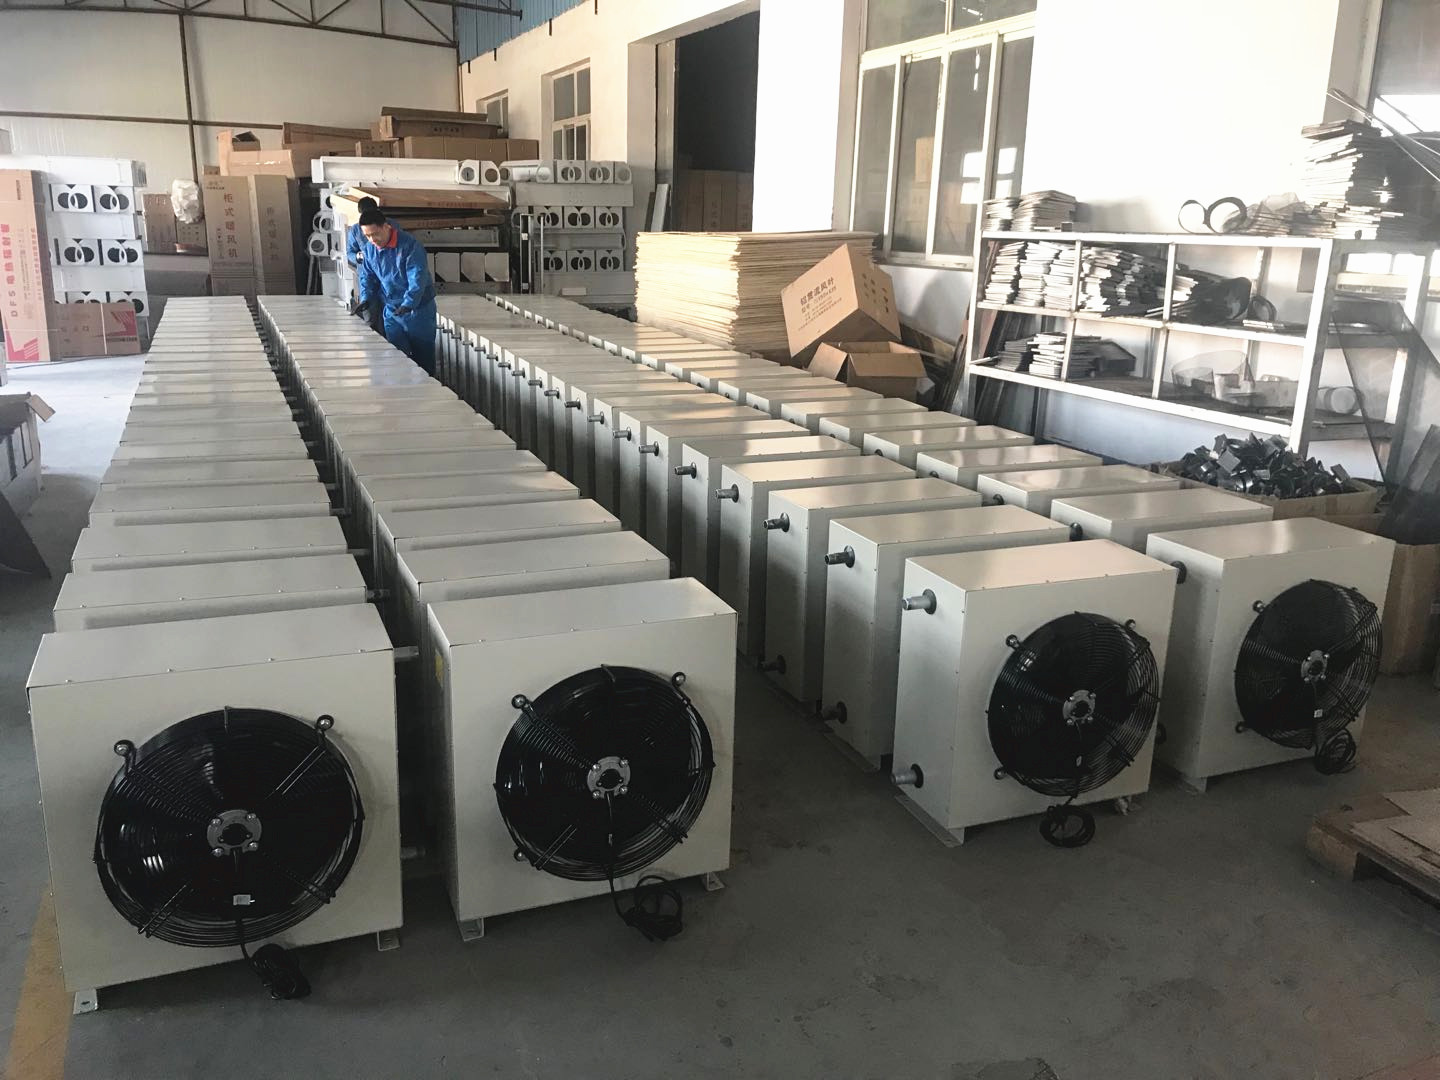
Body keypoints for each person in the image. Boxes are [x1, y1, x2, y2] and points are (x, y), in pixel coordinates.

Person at [351, 208, 438, 376]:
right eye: (367, 236)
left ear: (386, 227)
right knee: (397, 359)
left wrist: (409, 303)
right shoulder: (370, 250)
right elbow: (367, 277)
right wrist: (366, 299)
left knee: (423, 362)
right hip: (392, 311)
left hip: (418, 311)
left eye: (375, 234)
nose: (372, 240)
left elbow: (417, 277)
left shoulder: (410, 246)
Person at [345, 197, 383, 333]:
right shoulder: (356, 230)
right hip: (366, 277)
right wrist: (358, 256)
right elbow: (349, 253)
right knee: (370, 317)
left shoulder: (387, 226)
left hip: (386, 277)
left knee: (390, 318)